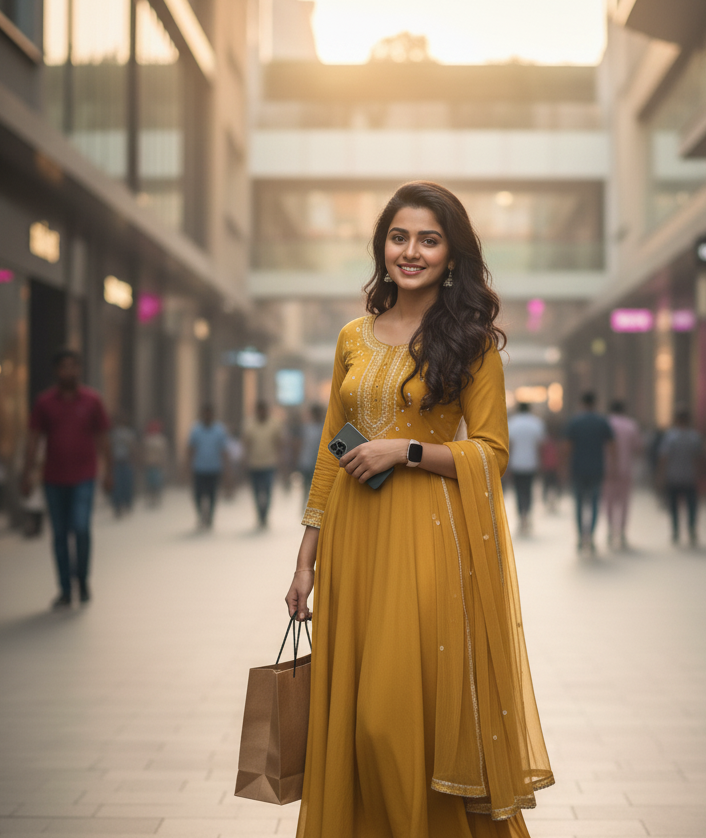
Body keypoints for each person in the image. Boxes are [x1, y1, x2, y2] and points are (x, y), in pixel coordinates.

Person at [284, 182, 552, 838]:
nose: (411, 251)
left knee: (389, 715)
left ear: (451, 254)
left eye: (429, 239)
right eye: (399, 237)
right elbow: (330, 451)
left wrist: (404, 450)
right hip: (353, 538)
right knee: (352, 717)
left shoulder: (472, 342)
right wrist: (305, 560)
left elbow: (491, 454)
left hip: (428, 539)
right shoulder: (353, 336)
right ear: (382, 247)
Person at [20, 348, 112, 608]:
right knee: (59, 534)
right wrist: (27, 474)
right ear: (56, 371)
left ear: (79, 370)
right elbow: (34, 438)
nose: (69, 371)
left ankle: (82, 580)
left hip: (85, 476)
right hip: (53, 477)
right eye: (64, 366)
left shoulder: (92, 401)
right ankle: (64, 588)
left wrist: (109, 472)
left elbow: (103, 438)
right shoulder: (44, 403)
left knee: (81, 528)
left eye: (73, 366)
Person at [563, 391, 614, 554]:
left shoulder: (575, 422)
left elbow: (567, 447)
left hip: (578, 468)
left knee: (579, 504)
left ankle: (580, 537)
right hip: (597, 468)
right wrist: (613, 466)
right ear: (595, 403)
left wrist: (563, 467)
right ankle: (590, 536)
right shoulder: (601, 422)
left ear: (581, 403)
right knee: (593, 504)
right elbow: (612, 446)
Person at [659, 408, 704, 546]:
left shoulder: (670, 437)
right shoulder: (694, 437)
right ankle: (691, 529)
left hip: (673, 476)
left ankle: (676, 531)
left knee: (674, 507)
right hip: (690, 476)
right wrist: (700, 474)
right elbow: (699, 459)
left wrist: (661, 475)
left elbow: (664, 458)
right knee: (691, 506)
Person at [604, 399, 641, 549]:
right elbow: (638, 447)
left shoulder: (606, 424)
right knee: (624, 503)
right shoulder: (631, 425)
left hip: (608, 470)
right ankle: (622, 532)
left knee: (609, 502)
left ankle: (610, 529)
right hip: (626, 469)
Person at [187, 405, 229, 529]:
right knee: (198, 494)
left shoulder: (219, 430)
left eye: (209, 414)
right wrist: (186, 468)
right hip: (199, 468)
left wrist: (227, 470)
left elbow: (224, 451)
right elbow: (190, 449)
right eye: (205, 414)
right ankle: (201, 515)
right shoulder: (196, 430)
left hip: (214, 469)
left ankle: (210, 516)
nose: (207, 416)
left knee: (212, 495)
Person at [243, 400, 283, 528]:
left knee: (267, 490)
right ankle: (259, 515)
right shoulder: (249, 424)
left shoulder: (274, 424)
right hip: (254, 464)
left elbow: (279, 442)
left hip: (269, 464)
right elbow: (246, 444)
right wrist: (244, 460)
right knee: (256, 492)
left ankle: (265, 515)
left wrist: (281, 459)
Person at [508, 402, 545, 535]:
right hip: (531, 463)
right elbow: (539, 446)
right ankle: (527, 515)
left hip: (516, 462)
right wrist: (540, 462)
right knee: (528, 490)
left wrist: (508, 463)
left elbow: (509, 445)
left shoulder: (512, 423)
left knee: (518, 491)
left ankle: (521, 517)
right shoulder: (536, 423)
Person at [297, 404, 324, 510]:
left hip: (319, 463)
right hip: (307, 462)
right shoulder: (307, 428)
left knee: (317, 487)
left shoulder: (324, 428)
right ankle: (305, 506)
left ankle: (314, 506)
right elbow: (300, 444)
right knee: (306, 486)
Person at [110, 414, 137, 517]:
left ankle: (122, 505)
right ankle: (121, 505)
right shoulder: (118, 434)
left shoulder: (116, 434)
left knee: (123, 485)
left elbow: (132, 448)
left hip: (123, 462)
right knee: (122, 485)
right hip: (120, 462)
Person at [142, 419, 169, 507]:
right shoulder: (147, 439)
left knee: (156, 483)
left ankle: (155, 499)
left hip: (156, 465)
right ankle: (152, 499)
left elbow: (163, 453)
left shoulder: (160, 440)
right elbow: (144, 452)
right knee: (151, 484)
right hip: (150, 465)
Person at [539, 421, 561, 512]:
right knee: (551, 486)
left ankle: (551, 503)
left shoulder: (545, 442)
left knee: (549, 486)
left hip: (550, 467)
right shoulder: (557, 443)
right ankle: (551, 503)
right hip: (551, 467)